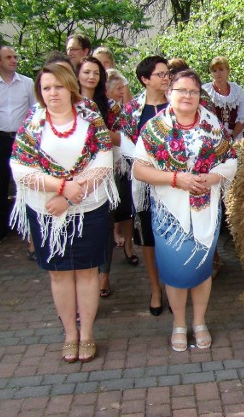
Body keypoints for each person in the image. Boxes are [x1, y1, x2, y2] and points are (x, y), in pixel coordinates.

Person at [10, 63, 118, 363]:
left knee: (87, 272)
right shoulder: (33, 122)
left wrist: (69, 198)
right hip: (45, 209)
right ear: (40, 92)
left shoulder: (90, 118)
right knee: (58, 274)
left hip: (88, 208)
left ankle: (87, 335)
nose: (52, 93)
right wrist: (60, 185)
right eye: (46, 88)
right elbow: (19, 167)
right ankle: (70, 334)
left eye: (58, 86)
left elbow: (103, 164)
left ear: (70, 87)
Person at [133, 69, 237, 351]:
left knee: (202, 269)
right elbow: (139, 169)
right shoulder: (155, 128)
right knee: (175, 271)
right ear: (169, 94)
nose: (188, 96)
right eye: (181, 91)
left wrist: (213, 177)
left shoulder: (212, 124)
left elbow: (230, 160)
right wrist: (176, 179)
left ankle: (199, 321)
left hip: (205, 209)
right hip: (170, 213)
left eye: (193, 91)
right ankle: (179, 323)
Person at [119, 56, 170, 316]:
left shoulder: (178, 104)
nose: (166, 78)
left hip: (175, 185)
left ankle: (173, 287)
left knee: (173, 237)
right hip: (146, 186)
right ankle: (155, 289)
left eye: (167, 73)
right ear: (145, 79)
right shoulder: (132, 111)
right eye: (160, 74)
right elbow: (127, 146)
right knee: (148, 237)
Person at [0, 46, 37, 249]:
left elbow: (34, 111)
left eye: (15, 56)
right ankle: (0, 227)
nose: (14, 60)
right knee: (0, 183)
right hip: (0, 139)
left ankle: (31, 226)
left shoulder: (27, 83)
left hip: (23, 139)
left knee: (28, 182)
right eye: (8, 57)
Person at [76, 56, 123, 298]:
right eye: (86, 72)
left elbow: (121, 138)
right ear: (77, 75)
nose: (91, 76)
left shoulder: (111, 106)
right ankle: (84, 275)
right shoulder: (69, 103)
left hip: (105, 172)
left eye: (96, 72)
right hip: (75, 175)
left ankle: (104, 275)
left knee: (105, 223)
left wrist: (98, 129)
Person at [106, 69, 138, 267]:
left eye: (122, 87)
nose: (121, 91)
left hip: (123, 163)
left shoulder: (121, 110)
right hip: (108, 164)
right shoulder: (101, 109)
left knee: (126, 209)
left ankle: (128, 246)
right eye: (118, 88)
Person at [202, 56, 244, 141]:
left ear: (228, 70)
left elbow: (242, 116)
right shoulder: (206, 91)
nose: (218, 73)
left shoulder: (237, 90)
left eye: (221, 69)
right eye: (214, 70)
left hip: (235, 139)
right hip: (212, 139)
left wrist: (231, 137)